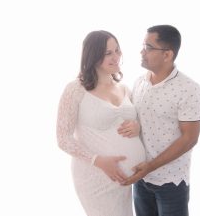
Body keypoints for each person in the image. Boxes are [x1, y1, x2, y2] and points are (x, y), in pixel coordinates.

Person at [56, 30, 146, 216]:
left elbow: (136, 124)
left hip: (126, 182)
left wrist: (137, 127)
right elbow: (62, 138)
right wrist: (98, 161)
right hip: (95, 178)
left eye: (117, 51)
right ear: (93, 56)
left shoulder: (125, 89)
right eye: (108, 53)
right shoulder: (75, 90)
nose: (116, 57)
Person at [119, 25, 200, 216]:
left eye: (148, 47)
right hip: (140, 179)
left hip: (171, 182)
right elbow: (137, 121)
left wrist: (150, 166)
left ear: (167, 55)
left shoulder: (188, 89)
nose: (142, 52)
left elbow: (189, 138)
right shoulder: (139, 82)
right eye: (143, 45)